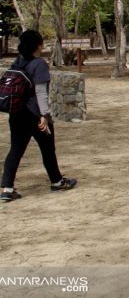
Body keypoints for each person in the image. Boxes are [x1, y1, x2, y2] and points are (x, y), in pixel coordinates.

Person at [1, 30, 77, 202]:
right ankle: (57, 181)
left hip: (16, 113)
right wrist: (44, 115)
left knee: (15, 149)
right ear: (38, 45)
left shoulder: (18, 62)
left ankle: (7, 189)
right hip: (35, 115)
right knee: (48, 148)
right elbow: (41, 92)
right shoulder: (39, 64)